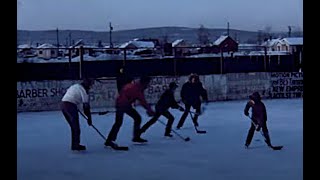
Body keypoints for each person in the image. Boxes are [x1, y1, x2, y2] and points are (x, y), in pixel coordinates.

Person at [104, 75, 156, 149]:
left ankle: (135, 136)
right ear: (144, 83)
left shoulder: (134, 85)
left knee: (136, 118)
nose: (148, 85)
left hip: (123, 103)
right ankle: (110, 140)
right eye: (148, 83)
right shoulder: (137, 89)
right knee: (119, 122)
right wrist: (150, 110)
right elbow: (143, 101)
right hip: (122, 104)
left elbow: (123, 91)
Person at [60, 78, 94, 151]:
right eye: (90, 85)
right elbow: (86, 107)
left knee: (73, 127)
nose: (90, 87)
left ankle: (75, 145)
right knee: (76, 127)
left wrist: (75, 106)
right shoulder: (84, 91)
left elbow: (70, 95)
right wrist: (89, 119)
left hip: (63, 104)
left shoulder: (75, 86)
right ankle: (75, 146)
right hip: (70, 106)